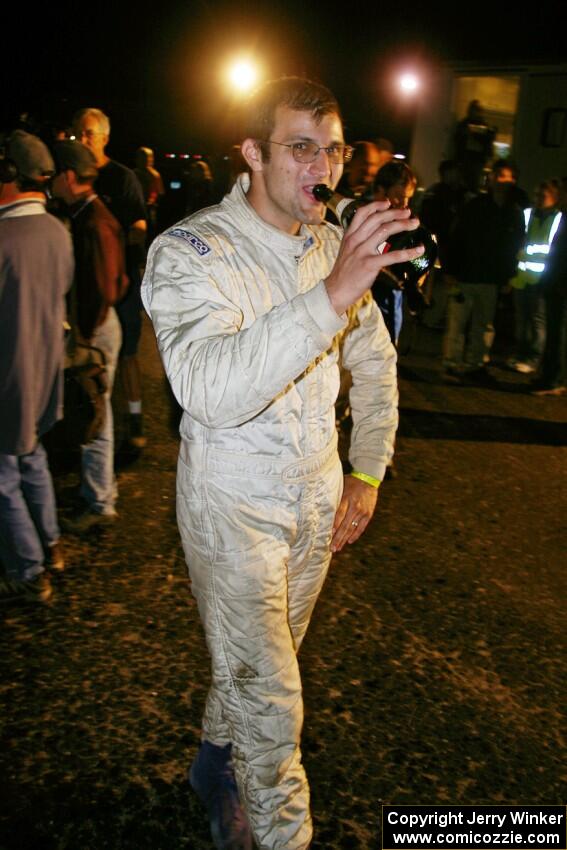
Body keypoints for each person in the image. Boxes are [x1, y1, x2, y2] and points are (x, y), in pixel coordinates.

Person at [142, 76, 424, 850]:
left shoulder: (333, 244)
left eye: (331, 148)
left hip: (316, 501)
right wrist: (329, 294)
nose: (321, 165)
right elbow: (208, 389)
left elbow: (375, 365)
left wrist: (366, 469)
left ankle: (211, 768)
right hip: (232, 509)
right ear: (252, 153)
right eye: (300, 146)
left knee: (260, 666)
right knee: (272, 702)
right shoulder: (191, 249)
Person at [0, 131, 74, 603]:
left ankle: (28, 569)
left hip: (8, 372)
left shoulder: (4, 236)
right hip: (45, 369)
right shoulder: (57, 231)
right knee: (33, 457)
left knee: (3, 476)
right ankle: (52, 543)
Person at [52, 140, 128, 531]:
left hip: (95, 329)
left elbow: (106, 289)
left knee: (93, 410)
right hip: (97, 326)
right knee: (95, 410)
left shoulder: (93, 221)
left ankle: (100, 502)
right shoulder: (87, 214)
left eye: (54, 176)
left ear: (68, 177)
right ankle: (97, 491)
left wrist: (82, 337)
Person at [73, 108, 148, 450]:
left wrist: (116, 263)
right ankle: (87, 424)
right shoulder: (74, 178)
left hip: (120, 284)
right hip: (87, 287)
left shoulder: (121, 178)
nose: (84, 140)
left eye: (90, 133)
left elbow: (139, 229)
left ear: (104, 137)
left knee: (129, 353)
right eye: (80, 134)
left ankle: (134, 420)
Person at [443, 161, 525, 381]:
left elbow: (515, 247)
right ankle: (452, 363)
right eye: (498, 176)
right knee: (458, 322)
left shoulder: (514, 212)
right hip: (466, 274)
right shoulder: (475, 206)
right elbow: (457, 237)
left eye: (506, 177)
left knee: (483, 324)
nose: (501, 181)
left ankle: (475, 363)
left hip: (490, 279)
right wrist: (450, 269)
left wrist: (509, 275)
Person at [508, 179, 562, 373]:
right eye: (536, 195)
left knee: (537, 322)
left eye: (543, 196)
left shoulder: (558, 220)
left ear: (554, 198)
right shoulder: (528, 214)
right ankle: (520, 354)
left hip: (541, 281)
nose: (538, 199)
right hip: (522, 278)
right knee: (522, 320)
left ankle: (533, 359)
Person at [371, 160, 419, 345]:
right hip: (369, 299)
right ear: (380, 190)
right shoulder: (365, 219)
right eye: (398, 196)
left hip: (392, 300)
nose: (404, 204)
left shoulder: (403, 224)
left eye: (408, 198)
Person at [134, 146, 165, 242]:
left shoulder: (153, 175)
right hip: (136, 206)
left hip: (149, 208)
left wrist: (151, 202)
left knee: (149, 235)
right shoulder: (134, 173)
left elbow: (159, 192)